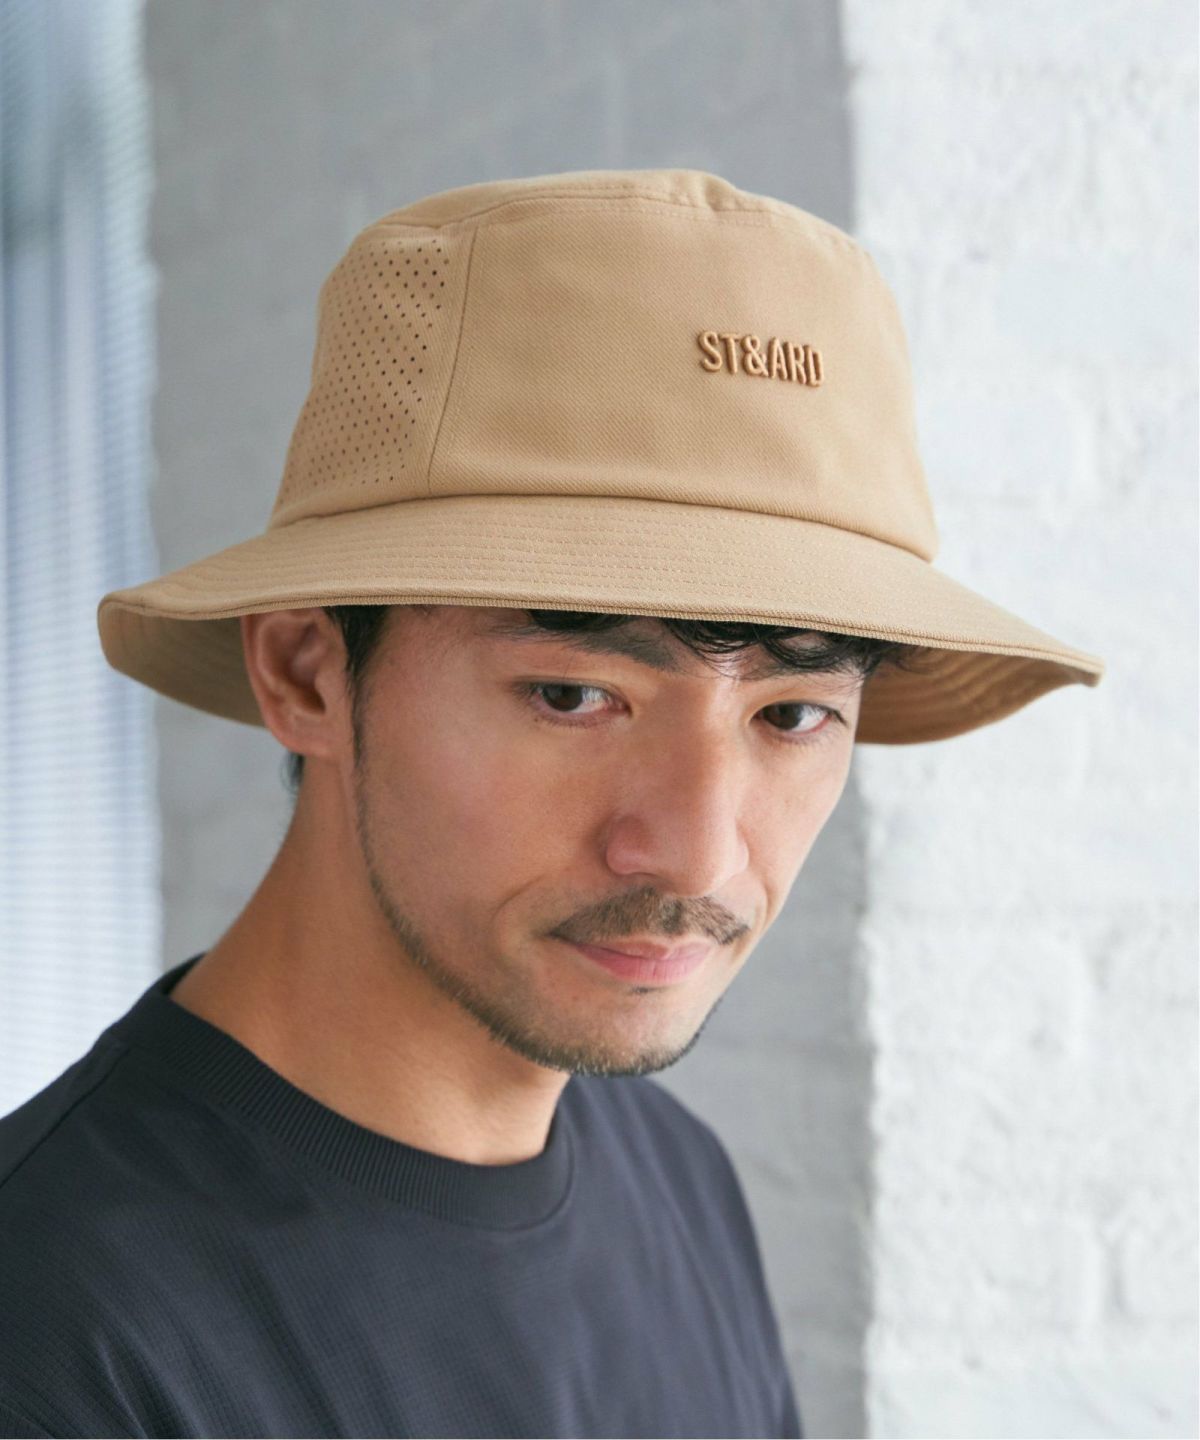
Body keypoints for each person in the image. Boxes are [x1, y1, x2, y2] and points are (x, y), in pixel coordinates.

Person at [0, 168, 1104, 1440]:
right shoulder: (53, 1334)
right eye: (576, 696)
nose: (696, 853)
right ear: (307, 671)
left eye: (792, 715)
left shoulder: (681, 1187)